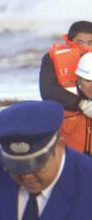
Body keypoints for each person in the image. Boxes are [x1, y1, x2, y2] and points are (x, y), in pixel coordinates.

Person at [40, 21, 92, 155]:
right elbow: (48, 91)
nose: (86, 47)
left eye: (91, 43)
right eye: (80, 42)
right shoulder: (51, 58)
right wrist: (81, 104)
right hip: (68, 135)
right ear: (69, 41)